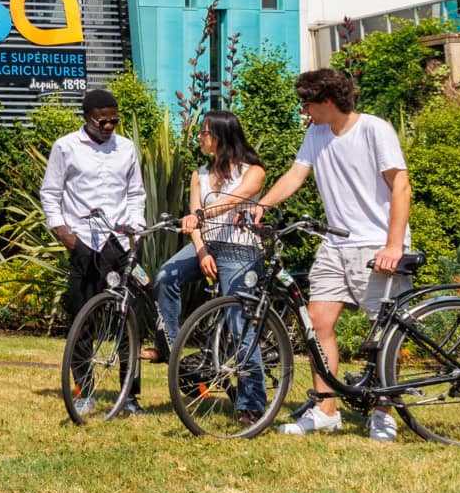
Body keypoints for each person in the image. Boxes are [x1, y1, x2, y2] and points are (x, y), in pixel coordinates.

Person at [257, 67, 413, 440]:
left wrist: (394, 245)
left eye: (306, 104)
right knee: (318, 323)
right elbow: (295, 175)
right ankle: (326, 410)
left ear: (327, 101)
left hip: (376, 243)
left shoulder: (374, 129)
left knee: (384, 333)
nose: (304, 111)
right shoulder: (317, 133)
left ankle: (384, 412)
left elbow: (402, 186)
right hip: (335, 244)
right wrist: (260, 205)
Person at [153, 111, 269, 418]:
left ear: (222, 135)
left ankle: (252, 404)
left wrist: (202, 214)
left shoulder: (253, 171)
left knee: (240, 322)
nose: (200, 138)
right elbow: (194, 219)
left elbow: (234, 198)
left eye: (204, 132)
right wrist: (202, 252)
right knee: (166, 276)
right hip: (208, 245)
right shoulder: (199, 174)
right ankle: (173, 349)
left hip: (241, 249)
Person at [40, 88, 148, 415]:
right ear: (87, 118)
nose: (109, 126)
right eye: (103, 121)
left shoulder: (126, 148)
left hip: (121, 241)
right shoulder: (66, 147)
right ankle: (84, 391)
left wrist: (136, 227)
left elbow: (136, 193)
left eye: (114, 120)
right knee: (82, 319)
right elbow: (50, 193)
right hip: (84, 242)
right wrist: (65, 234)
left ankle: (129, 396)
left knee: (130, 320)